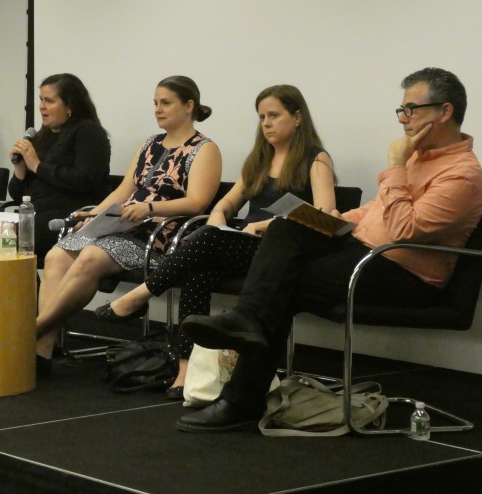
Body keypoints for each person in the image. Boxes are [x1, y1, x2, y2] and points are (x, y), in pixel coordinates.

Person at [176, 67, 482, 432]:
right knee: (288, 223)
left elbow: (405, 229)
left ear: (445, 111)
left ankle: (241, 395)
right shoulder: (420, 158)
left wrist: (397, 168)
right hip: (366, 253)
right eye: (401, 110)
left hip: (404, 275)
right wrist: (329, 219)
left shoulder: (462, 174)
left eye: (411, 109)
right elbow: (376, 212)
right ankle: (246, 332)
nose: (403, 119)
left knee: (283, 286)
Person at [94, 84, 337, 398]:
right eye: (262, 116)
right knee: (199, 271)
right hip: (242, 245)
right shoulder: (260, 161)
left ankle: (140, 294)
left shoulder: (316, 160)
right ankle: (186, 374)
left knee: (207, 244)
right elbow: (226, 203)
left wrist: (263, 225)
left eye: (274, 115)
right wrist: (220, 218)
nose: (266, 123)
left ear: (298, 117)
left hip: (277, 252)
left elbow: (324, 215)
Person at [35, 75, 223, 373]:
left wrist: (149, 207)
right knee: (56, 256)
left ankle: (33, 330)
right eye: (155, 103)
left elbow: (197, 203)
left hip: (159, 236)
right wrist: (94, 214)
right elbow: (124, 190)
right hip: (122, 225)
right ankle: (41, 353)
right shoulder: (149, 144)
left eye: (165, 103)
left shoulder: (204, 149)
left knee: (91, 257)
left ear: (189, 106)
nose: (158, 109)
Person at [7, 73, 111, 263]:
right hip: (38, 213)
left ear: (70, 105)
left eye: (49, 101)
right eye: (40, 100)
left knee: (15, 239)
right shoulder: (41, 137)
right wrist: (20, 169)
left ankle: (30, 293)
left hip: (72, 215)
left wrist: (37, 166)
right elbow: (18, 196)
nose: (41, 106)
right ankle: (25, 292)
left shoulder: (89, 133)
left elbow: (84, 180)